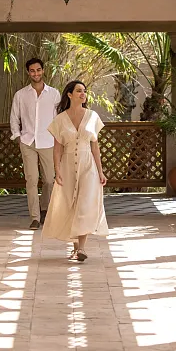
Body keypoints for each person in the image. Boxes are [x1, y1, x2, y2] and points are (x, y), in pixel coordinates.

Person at [42, 80, 109, 262]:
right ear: (69, 94)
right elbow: (57, 148)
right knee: (71, 204)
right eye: (79, 91)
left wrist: (101, 171)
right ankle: (76, 248)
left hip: (88, 166)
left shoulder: (92, 116)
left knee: (84, 205)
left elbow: (95, 147)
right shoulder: (60, 119)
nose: (83, 94)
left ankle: (82, 248)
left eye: (84, 91)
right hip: (68, 165)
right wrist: (57, 169)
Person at [10, 58, 62, 230]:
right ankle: (35, 217)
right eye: (32, 71)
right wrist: (18, 136)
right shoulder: (20, 95)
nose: (36, 73)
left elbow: (58, 119)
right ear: (28, 72)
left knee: (49, 179)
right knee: (31, 179)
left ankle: (45, 208)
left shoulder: (54, 94)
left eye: (38, 70)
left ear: (43, 70)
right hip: (28, 142)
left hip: (48, 141)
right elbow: (14, 117)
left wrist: (58, 140)